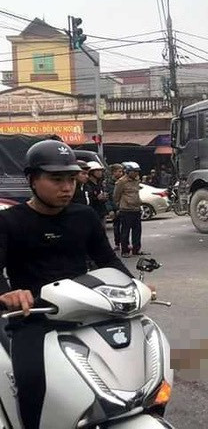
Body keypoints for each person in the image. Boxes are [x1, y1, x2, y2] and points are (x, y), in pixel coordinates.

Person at [0, 140, 139, 429]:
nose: (67, 188)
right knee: (31, 379)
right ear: (32, 180)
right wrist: (9, 294)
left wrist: (135, 286)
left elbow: (108, 260)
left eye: (71, 179)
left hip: (87, 311)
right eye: (56, 179)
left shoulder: (84, 216)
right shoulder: (9, 221)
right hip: (33, 317)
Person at [114, 161, 149, 258]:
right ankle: (125, 251)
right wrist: (119, 206)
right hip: (126, 210)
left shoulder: (136, 180)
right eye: (134, 171)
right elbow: (116, 196)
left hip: (136, 209)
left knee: (137, 231)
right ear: (128, 171)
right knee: (125, 231)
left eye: (137, 171)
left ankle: (136, 250)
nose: (137, 173)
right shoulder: (121, 182)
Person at [106, 163, 124, 251]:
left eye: (122, 171)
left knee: (125, 227)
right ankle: (117, 244)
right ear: (113, 172)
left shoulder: (123, 181)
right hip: (114, 208)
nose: (121, 173)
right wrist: (110, 210)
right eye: (119, 171)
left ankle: (125, 243)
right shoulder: (107, 183)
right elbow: (108, 198)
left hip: (123, 207)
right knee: (116, 227)